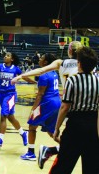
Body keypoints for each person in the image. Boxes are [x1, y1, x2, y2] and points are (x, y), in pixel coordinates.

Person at [11, 40, 83, 169]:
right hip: (81, 105)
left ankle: (34, 152)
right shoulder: (86, 64)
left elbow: (40, 72)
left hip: (62, 105)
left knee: (32, 125)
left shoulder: (60, 64)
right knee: (68, 136)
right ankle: (56, 150)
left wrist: (21, 76)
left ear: (69, 51)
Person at [50, 46, 98, 174]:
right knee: (92, 167)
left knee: (64, 165)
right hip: (92, 126)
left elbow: (65, 107)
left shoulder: (72, 80)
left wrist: (56, 129)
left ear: (80, 63)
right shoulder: (98, 80)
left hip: (75, 126)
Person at [0, 49, 36, 149]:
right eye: (5, 55)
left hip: (11, 95)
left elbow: (24, 77)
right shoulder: (0, 66)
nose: (5, 56)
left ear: (12, 59)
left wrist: (35, 82)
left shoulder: (15, 69)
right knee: (10, 117)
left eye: (7, 55)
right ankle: (23, 133)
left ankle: (0, 140)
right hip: (2, 94)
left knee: (3, 115)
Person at [20, 53, 61, 161]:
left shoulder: (44, 75)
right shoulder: (54, 73)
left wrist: (33, 109)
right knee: (51, 131)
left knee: (32, 126)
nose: (39, 59)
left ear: (46, 62)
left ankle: (31, 153)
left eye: (42, 58)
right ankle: (68, 147)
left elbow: (40, 94)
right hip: (57, 102)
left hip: (47, 102)